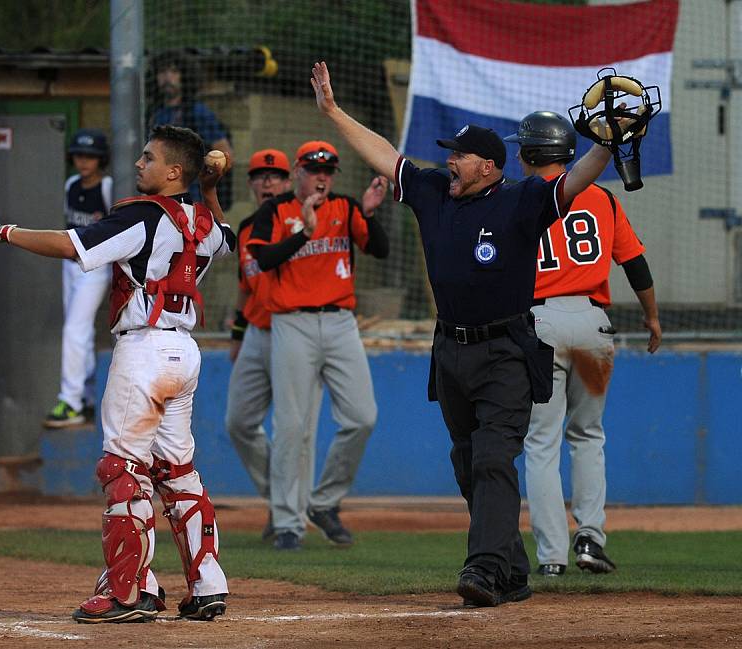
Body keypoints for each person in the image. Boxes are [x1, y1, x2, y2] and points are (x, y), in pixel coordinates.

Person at [309, 61, 636, 607]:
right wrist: (333, 112)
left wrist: (606, 142)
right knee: (468, 462)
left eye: (458, 154)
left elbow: (576, 178)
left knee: (492, 458)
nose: (449, 161)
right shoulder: (436, 192)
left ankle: (482, 569)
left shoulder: (522, 200)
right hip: (450, 350)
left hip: (507, 349)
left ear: (488, 166)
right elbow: (386, 156)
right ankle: (510, 567)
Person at [0, 125, 235, 623]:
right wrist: (209, 189)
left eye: (149, 158)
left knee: (124, 470)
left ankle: (129, 591)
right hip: (184, 353)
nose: (139, 165)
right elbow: (225, 240)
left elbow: (71, 245)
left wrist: (2, 232)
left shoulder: (142, 216)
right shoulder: (202, 221)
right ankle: (207, 586)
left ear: (173, 172)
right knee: (178, 473)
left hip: (144, 352)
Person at [504, 111, 662, 577]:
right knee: (589, 435)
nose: (516, 153)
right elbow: (634, 263)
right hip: (594, 326)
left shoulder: (516, 199)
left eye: (522, 146)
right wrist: (651, 317)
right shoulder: (602, 200)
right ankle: (591, 537)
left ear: (532, 154)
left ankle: (552, 557)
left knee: (542, 442)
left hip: (541, 324)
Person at [227, 148, 388, 542]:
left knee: (362, 416)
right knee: (291, 426)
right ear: (298, 172)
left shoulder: (345, 207)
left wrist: (367, 213)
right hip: (292, 323)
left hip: (340, 321)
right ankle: (286, 523)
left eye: (328, 171)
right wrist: (305, 231)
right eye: (314, 170)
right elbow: (263, 261)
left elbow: (380, 250)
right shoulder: (275, 211)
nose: (321, 178)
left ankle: (324, 500)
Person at [43, 129, 113, 428]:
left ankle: (70, 401)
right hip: (70, 265)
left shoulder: (108, 186)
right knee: (77, 333)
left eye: (91, 156)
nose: (84, 161)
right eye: (80, 155)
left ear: (101, 159)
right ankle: (84, 397)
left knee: (75, 329)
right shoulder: (71, 184)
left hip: (96, 266)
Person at [149, 50, 234, 209]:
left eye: (174, 71)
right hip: (161, 199)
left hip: (193, 202)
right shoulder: (154, 113)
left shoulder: (198, 112)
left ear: (185, 75)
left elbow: (225, 153)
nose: (167, 77)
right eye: (162, 71)